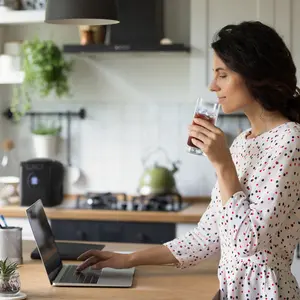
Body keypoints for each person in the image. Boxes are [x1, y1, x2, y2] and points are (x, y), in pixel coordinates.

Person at [76, 21, 300, 299]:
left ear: (254, 74)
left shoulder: (289, 141)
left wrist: (221, 164)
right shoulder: (244, 142)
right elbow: (207, 236)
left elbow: (248, 242)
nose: (212, 85)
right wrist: (127, 259)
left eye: (222, 75)